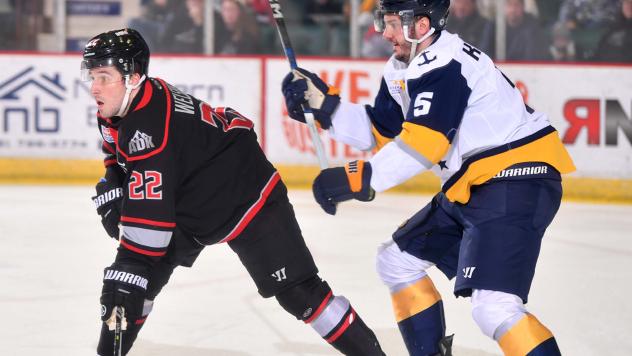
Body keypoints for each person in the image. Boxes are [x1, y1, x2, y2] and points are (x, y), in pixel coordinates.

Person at [281, 0, 575, 355]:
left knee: (493, 307)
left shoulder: (444, 65)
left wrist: (359, 179)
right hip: (478, 183)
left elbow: (425, 144)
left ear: (421, 25)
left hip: (514, 178)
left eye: (392, 23)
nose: (385, 32)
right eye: (383, 21)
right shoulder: (405, 66)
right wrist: (325, 106)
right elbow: (381, 131)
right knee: (396, 261)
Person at [84, 28, 385, 356]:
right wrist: (114, 183)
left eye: (103, 76)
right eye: (92, 75)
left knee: (300, 295)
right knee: (134, 288)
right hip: (191, 200)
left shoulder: (149, 130)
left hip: (247, 195)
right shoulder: (118, 107)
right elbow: (116, 157)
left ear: (133, 77)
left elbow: (146, 241)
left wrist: (120, 223)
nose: (94, 87)